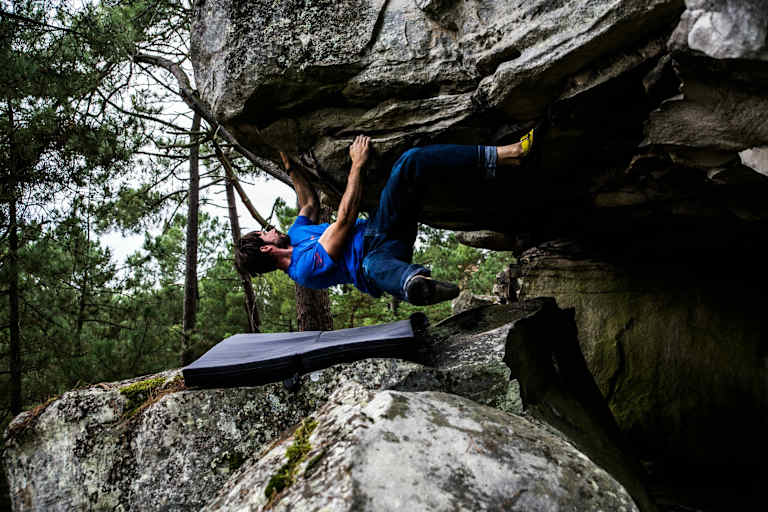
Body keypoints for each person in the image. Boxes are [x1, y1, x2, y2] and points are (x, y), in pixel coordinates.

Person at [234, 131, 535, 306]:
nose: (270, 228)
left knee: (409, 162)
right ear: (266, 249)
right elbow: (344, 221)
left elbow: (309, 202)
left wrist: (289, 166)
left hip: (382, 226)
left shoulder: (296, 233)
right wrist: (357, 165)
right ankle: (416, 285)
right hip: (381, 256)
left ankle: (503, 155)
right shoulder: (303, 270)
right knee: (370, 266)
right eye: (264, 233)